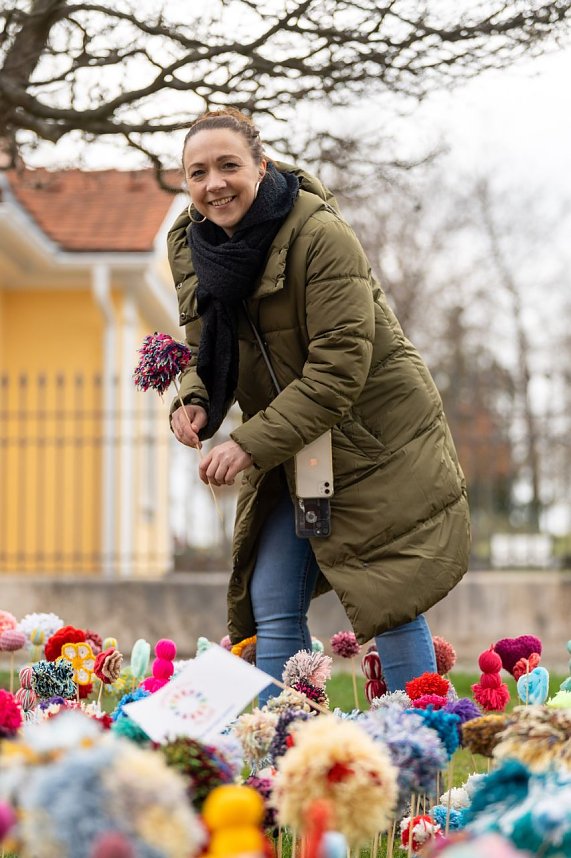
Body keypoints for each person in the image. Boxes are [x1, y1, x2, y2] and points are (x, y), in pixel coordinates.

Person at [169, 108, 470, 705]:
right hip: (291, 442)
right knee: (272, 599)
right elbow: (206, 347)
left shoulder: (318, 235)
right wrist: (195, 400)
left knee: (389, 595)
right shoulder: (193, 245)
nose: (214, 183)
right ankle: (287, 752)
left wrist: (248, 443)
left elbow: (339, 372)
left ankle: (419, 760)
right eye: (197, 172)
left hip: (373, 435)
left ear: (262, 165)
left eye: (229, 165)